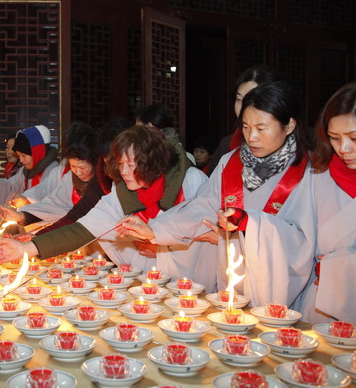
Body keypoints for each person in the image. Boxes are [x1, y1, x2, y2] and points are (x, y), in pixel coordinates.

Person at [116, 81, 316, 307]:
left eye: (261, 128)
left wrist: (252, 224)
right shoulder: (230, 163)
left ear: (289, 125)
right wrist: (155, 230)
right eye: (246, 127)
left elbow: (305, 241)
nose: (251, 137)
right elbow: (200, 209)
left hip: (284, 287)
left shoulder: (311, 172)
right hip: (233, 273)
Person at [0, 125, 216, 289]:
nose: (123, 172)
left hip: (196, 275)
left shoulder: (192, 181)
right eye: (120, 164)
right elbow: (82, 228)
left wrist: (162, 241)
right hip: (155, 278)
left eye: (131, 164)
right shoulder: (122, 191)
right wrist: (27, 249)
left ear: (152, 162)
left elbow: (213, 231)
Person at [293, 82, 356, 323]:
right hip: (322, 302)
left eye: (353, 137)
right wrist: (252, 224)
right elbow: (295, 234)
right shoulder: (319, 174)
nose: (344, 149)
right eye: (335, 138)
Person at [0, 123, 103, 228]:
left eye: (82, 167)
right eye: (73, 166)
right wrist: (21, 214)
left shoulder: (104, 181)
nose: (77, 172)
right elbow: (55, 203)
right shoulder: (68, 175)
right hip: (72, 230)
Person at [207, 65, 282, 174]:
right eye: (239, 99)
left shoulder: (308, 146)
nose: (243, 107)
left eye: (252, 100)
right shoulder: (226, 146)